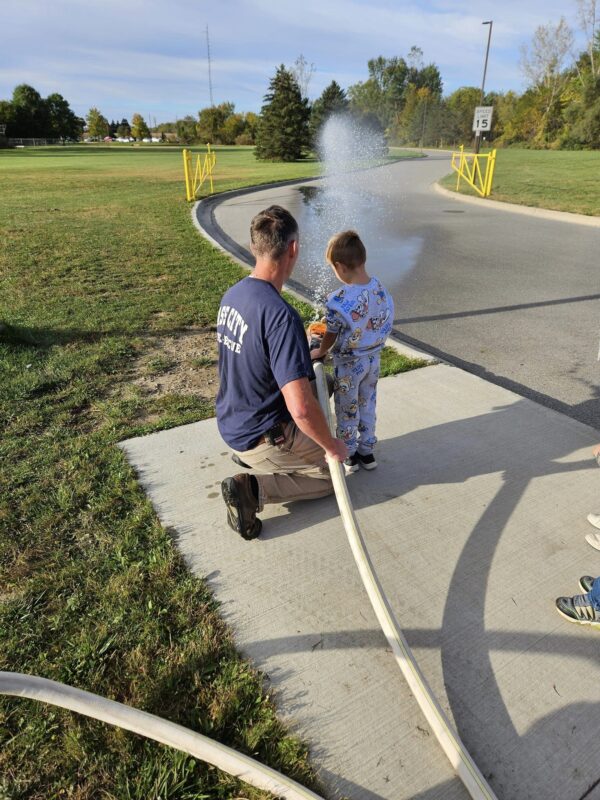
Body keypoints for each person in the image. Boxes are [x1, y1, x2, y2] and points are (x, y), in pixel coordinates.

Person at [216, 205, 347, 540]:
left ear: (254, 246)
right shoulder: (280, 314)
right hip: (263, 433)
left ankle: (261, 462)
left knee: (324, 384)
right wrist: (331, 446)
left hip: (233, 420)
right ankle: (253, 489)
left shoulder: (234, 295)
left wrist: (299, 346)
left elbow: (256, 353)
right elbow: (301, 408)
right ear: (293, 249)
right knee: (332, 476)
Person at [310, 230, 394, 473]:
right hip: (373, 360)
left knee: (347, 409)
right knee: (367, 404)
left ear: (340, 267)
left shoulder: (338, 299)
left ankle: (348, 454)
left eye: (333, 269)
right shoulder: (380, 289)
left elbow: (332, 334)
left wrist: (321, 351)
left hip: (349, 365)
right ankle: (367, 452)